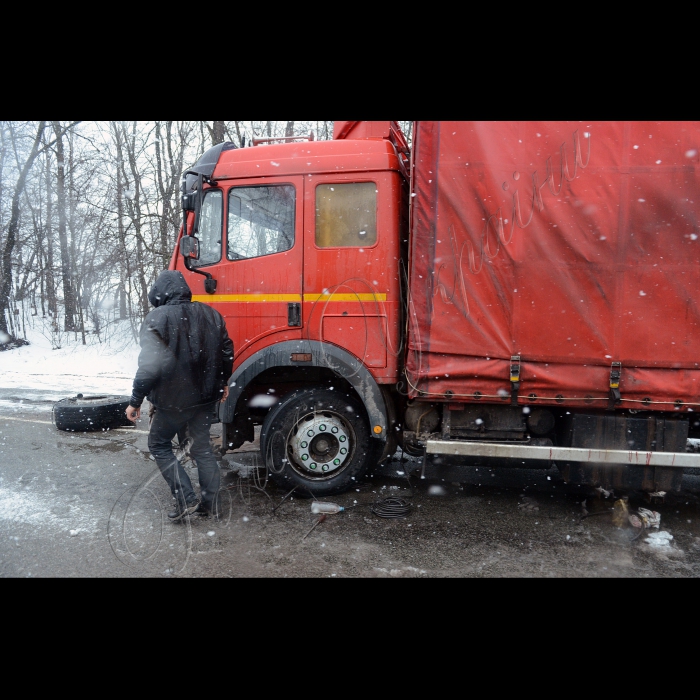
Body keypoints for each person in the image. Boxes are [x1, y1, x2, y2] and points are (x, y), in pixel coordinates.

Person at [125, 270, 234, 521]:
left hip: (173, 401)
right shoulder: (211, 314)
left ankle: (185, 498)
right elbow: (226, 351)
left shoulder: (156, 318)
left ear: (159, 293)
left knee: (159, 445)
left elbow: (150, 366)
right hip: (205, 397)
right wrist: (223, 382)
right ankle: (211, 504)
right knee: (202, 448)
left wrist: (135, 401)